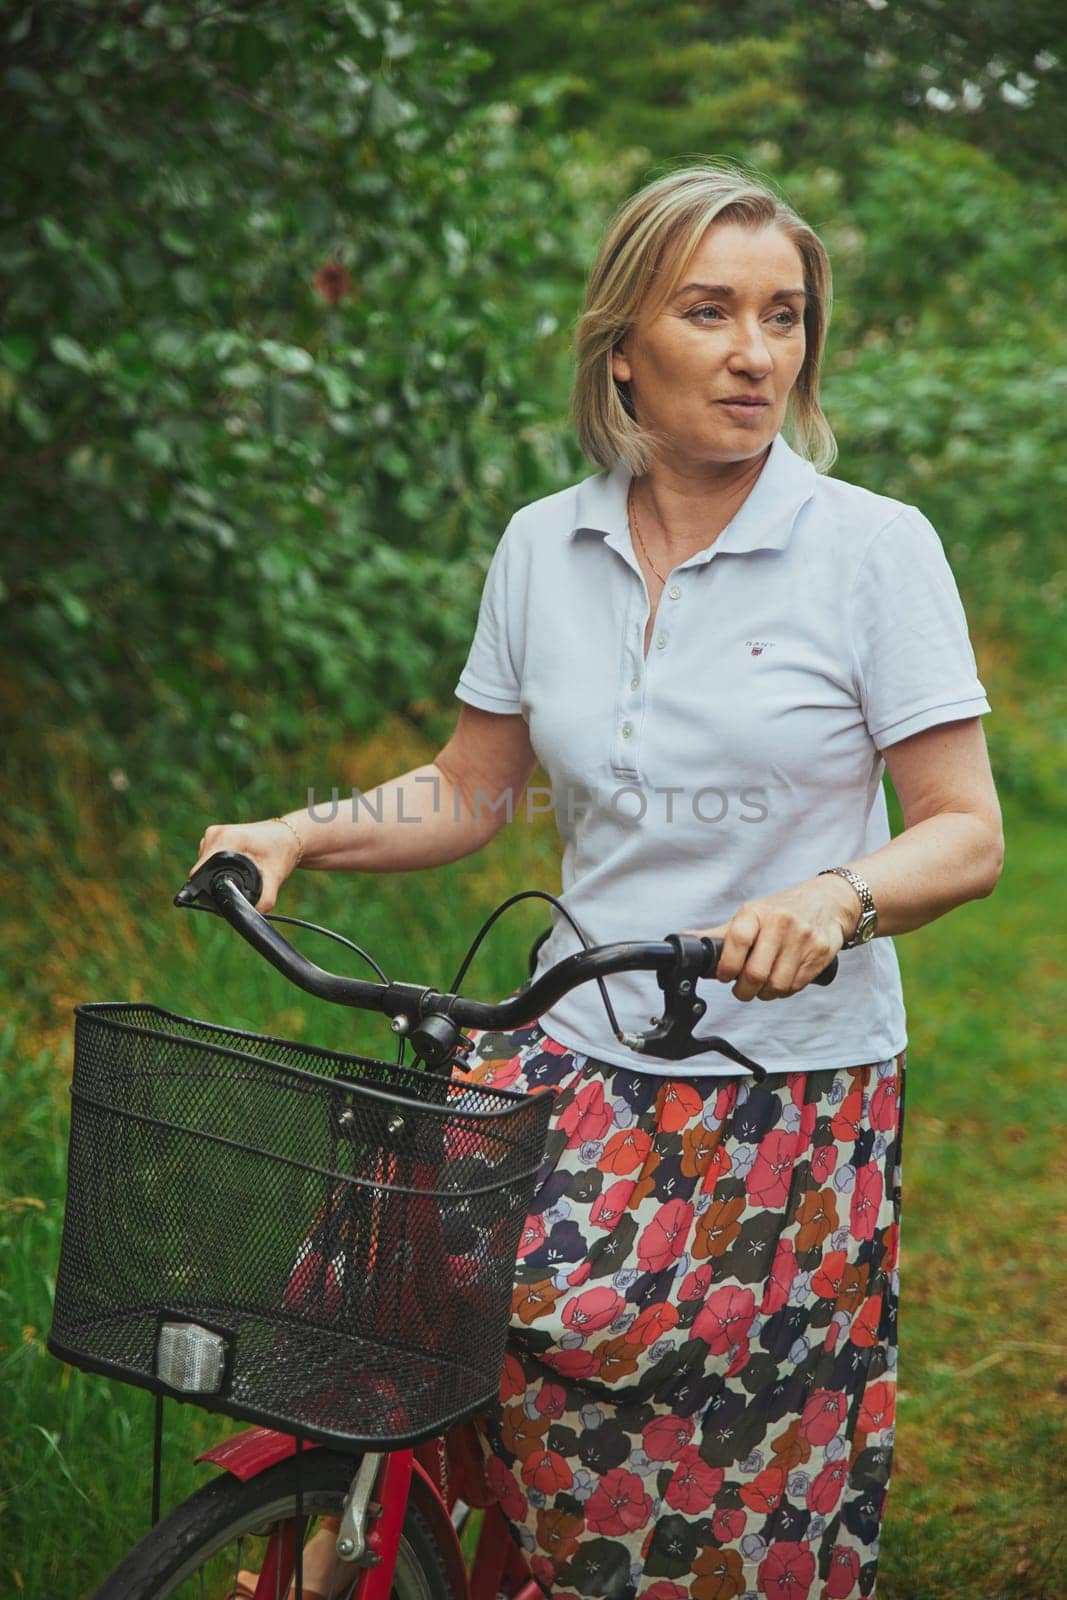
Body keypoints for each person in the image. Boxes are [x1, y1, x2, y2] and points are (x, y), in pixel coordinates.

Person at [200, 163, 1002, 1600]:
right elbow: (470, 787)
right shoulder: (542, 544)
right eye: (710, 311)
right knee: (366, 1299)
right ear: (622, 344)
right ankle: (388, 1547)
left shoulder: (873, 550)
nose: (757, 352)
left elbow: (962, 830)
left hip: (774, 1087)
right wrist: (297, 833)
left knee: (695, 1487)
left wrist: (834, 900)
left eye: (785, 316)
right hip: (565, 1047)